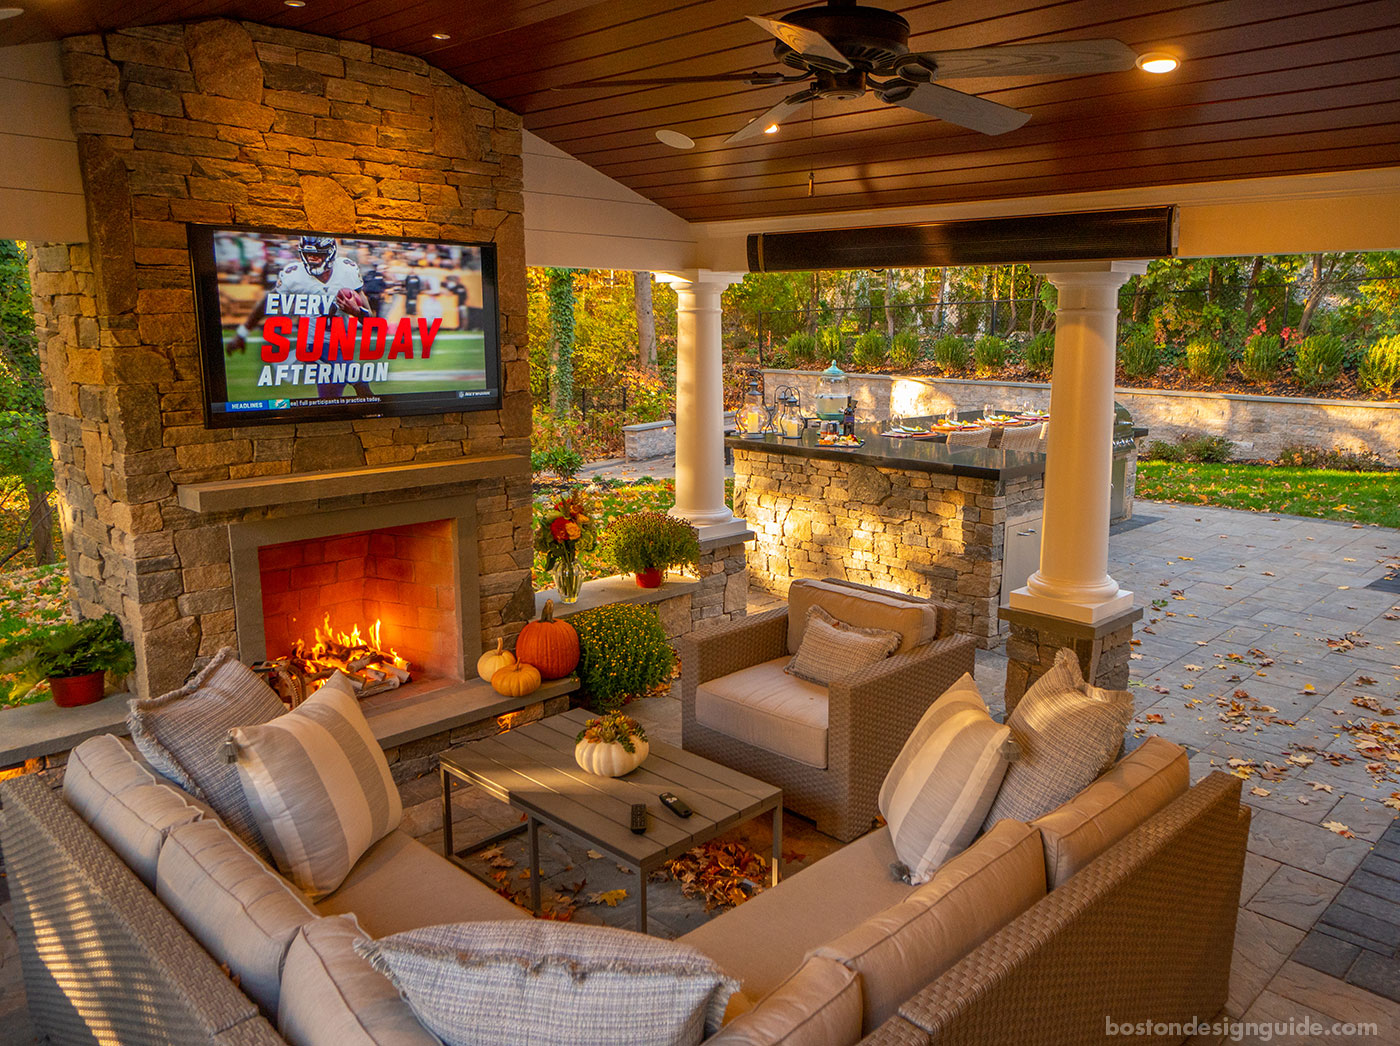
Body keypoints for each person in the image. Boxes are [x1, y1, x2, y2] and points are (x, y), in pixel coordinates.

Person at [226, 235, 375, 399]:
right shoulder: (294, 275)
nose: (312, 259)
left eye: (318, 254)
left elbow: (371, 321)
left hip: (340, 346)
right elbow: (268, 302)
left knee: (328, 402)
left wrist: (357, 312)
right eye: (308, 254)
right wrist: (242, 332)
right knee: (360, 381)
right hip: (312, 346)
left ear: (331, 254)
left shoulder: (347, 270)